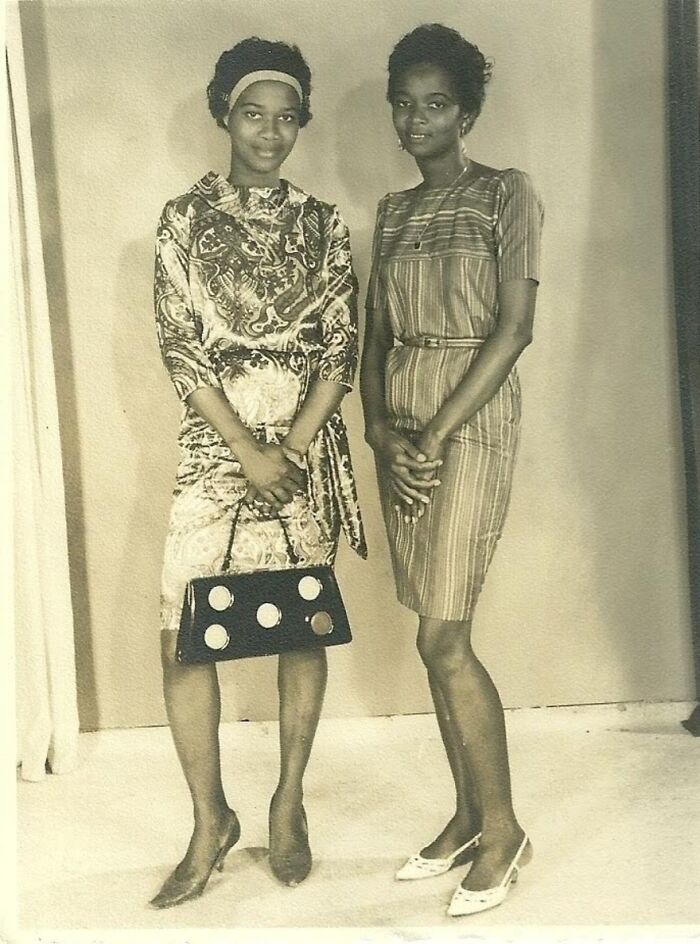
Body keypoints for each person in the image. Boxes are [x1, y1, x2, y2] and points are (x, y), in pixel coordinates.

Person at [151, 36, 366, 909]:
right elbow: (178, 345)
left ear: (300, 125)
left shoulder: (323, 227)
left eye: (286, 119)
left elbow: (340, 348)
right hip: (218, 448)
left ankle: (288, 801)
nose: (269, 134)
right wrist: (246, 450)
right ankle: (211, 819)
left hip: (301, 450)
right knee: (181, 632)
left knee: (298, 628)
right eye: (253, 114)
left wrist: (295, 449)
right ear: (223, 116)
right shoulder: (182, 221)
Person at [360, 23, 544, 917]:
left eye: (434, 104)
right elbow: (374, 344)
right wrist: (382, 436)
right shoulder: (392, 214)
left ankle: (505, 832)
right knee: (430, 637)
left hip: (467, 425)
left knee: (445, 637)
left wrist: (431, 434)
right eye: (404, 103)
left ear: (466, 111)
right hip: (404, 435)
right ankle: (469, 814)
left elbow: (513, 332)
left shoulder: (506, 194)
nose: (416, 119)